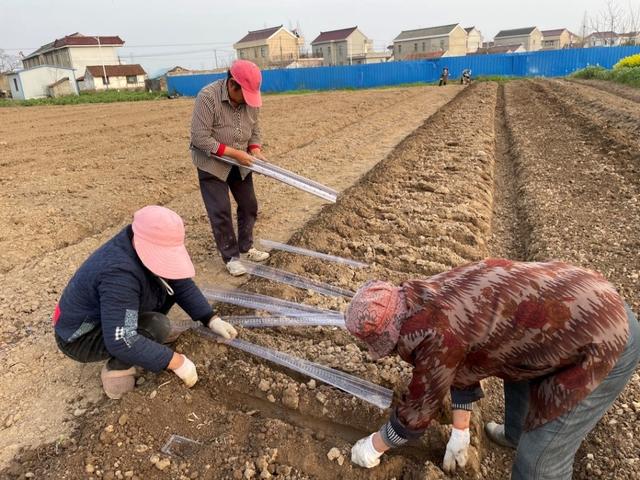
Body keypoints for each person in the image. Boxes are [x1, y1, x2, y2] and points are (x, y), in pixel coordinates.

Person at [346, 259, 640, 479]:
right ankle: (514, 434)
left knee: (539, 460)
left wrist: (373, 446)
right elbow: (463, 360)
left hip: (603, 337)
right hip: (570, 309)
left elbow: (417, 413)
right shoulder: (424, 296)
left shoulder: (433, 334)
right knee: (518, 374)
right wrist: (460, 430)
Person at [53, 206, 238, 399]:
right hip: (81, 337)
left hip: (108, 314)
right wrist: (177, 362)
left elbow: (180, 283)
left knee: (165, 284)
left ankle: (146, 338)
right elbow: (121, 340)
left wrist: (210, 318)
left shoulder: (133, 241)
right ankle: (117, 368)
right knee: (156, 325)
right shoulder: (118, 273)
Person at [190, 59, 271, 277]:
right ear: (232, 84)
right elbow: (200, 139)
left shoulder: (251, 102)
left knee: (249, 204)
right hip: (212, 162)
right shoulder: (208, 97)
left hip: (241, 161)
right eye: (243, 94)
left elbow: (255, 128)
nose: (247, 101)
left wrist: (254, 148)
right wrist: (235, 153)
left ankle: (246, 246)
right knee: (220, 210)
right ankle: (231, 257)